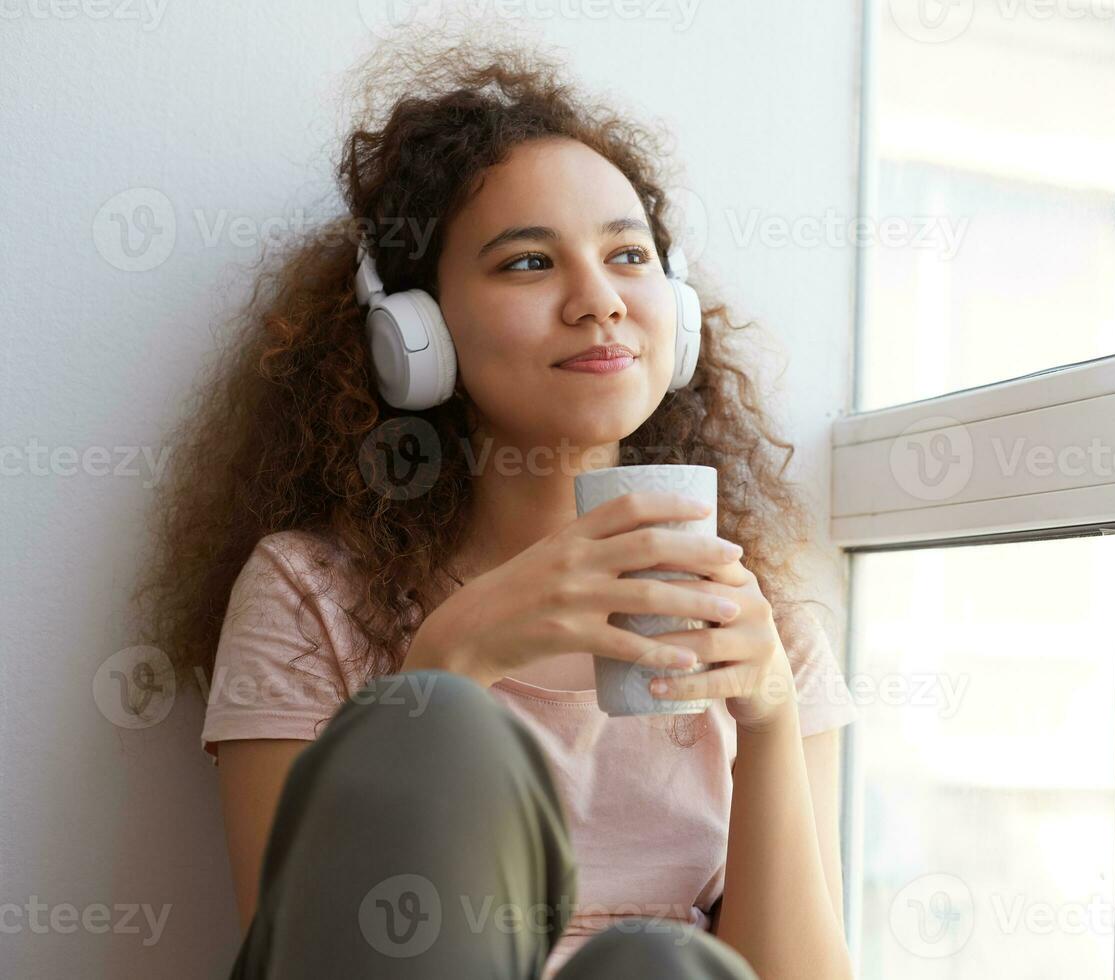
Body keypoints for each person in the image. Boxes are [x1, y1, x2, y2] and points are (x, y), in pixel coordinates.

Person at [131, 30, 859, 980]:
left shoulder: (762, 628)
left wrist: (767, 727)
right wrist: (446, 667)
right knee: (449, 727)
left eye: (628, 255)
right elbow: (296, 953)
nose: (598, 301)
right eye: (527, 263)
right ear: (414, 333)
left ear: (672, 316)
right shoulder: (307, 593)